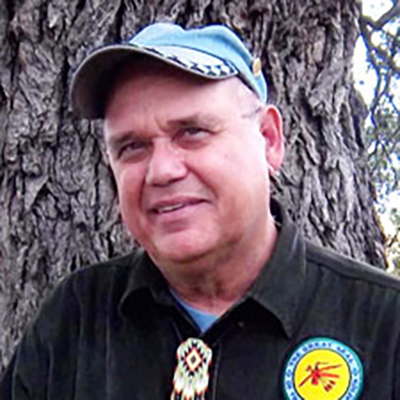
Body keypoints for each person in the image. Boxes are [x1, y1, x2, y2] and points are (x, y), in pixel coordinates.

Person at [1, 22, 400, 400]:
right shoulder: (75, 319)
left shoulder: (384, 327)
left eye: (192, 132)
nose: (162, 171)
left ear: (268, 139)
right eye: (132, 147)